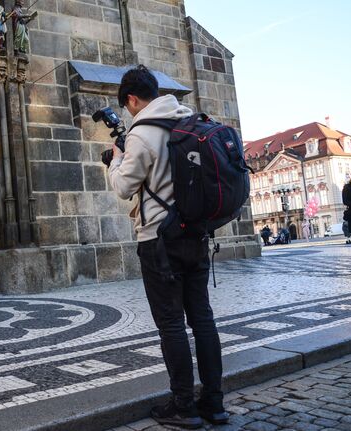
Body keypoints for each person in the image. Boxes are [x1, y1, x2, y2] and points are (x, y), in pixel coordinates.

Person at [107, 65, 227, 429]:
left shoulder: (142, 133)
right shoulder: (187, 119)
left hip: (159, 239)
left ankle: (183, 406)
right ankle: (214, 403)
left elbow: (123, 187)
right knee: (202, 318)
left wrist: (114, 159)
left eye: (128, 107)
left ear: (131, 99)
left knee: (172, 324)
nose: (129, 113)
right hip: (195, 233)